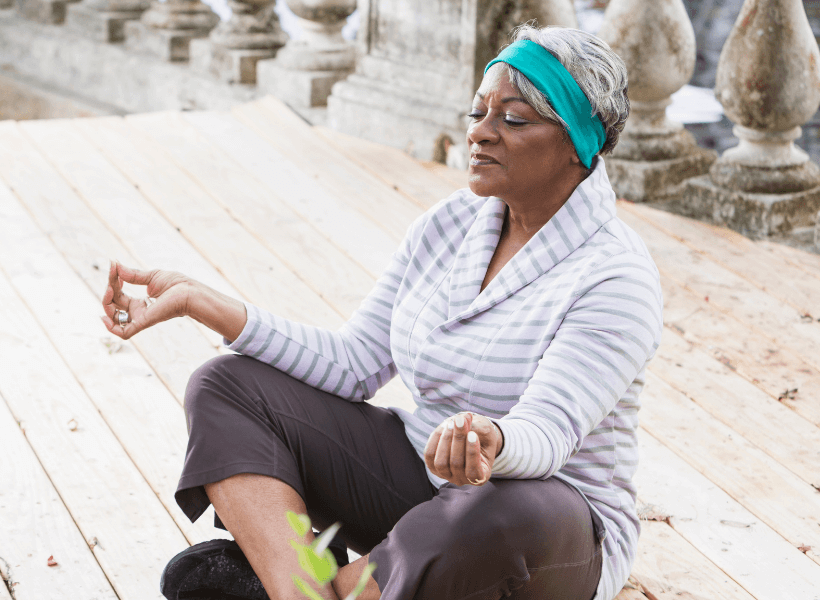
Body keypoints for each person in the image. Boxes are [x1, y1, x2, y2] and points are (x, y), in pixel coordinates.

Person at [100, 25, 660, 600]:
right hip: (419, 491)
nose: (481, 134)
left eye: (512, 120)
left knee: (492, 512)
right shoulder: (450, 223)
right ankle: (306, 592)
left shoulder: (616, 277)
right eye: (477, 113)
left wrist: (492, 438)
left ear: (577, 143)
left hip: (545, 529)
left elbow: (549, 432)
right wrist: (203, 301)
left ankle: (314, 578)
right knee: (225, 385)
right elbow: (352, 363)